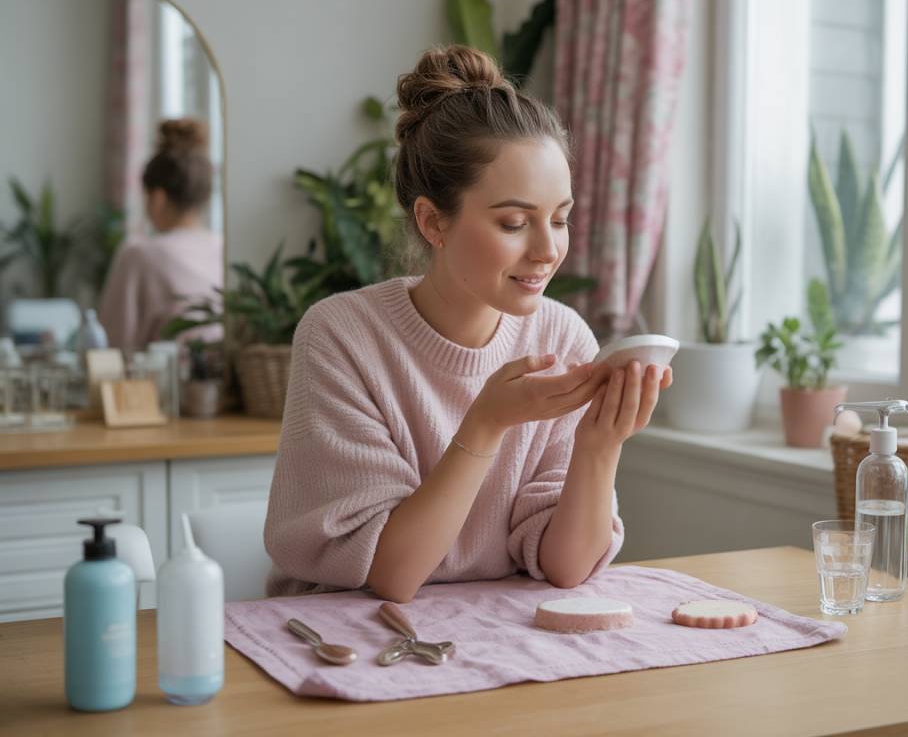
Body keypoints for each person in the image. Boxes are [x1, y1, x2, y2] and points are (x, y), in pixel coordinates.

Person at [264, 45, 673, 602]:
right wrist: (485, 425)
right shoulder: (342, 335)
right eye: (513, 222)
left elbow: (567, 568)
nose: (549, 250)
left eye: (560, 219)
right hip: (343, 638)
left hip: (488, 641)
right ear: (433, 221)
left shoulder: (563, 338)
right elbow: (392, 575)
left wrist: (600, 445)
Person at [98, 118, 222, 353]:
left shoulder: (139, 254)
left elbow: (112, 346)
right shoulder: (224, 248)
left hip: (158, 387)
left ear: (157, 198)